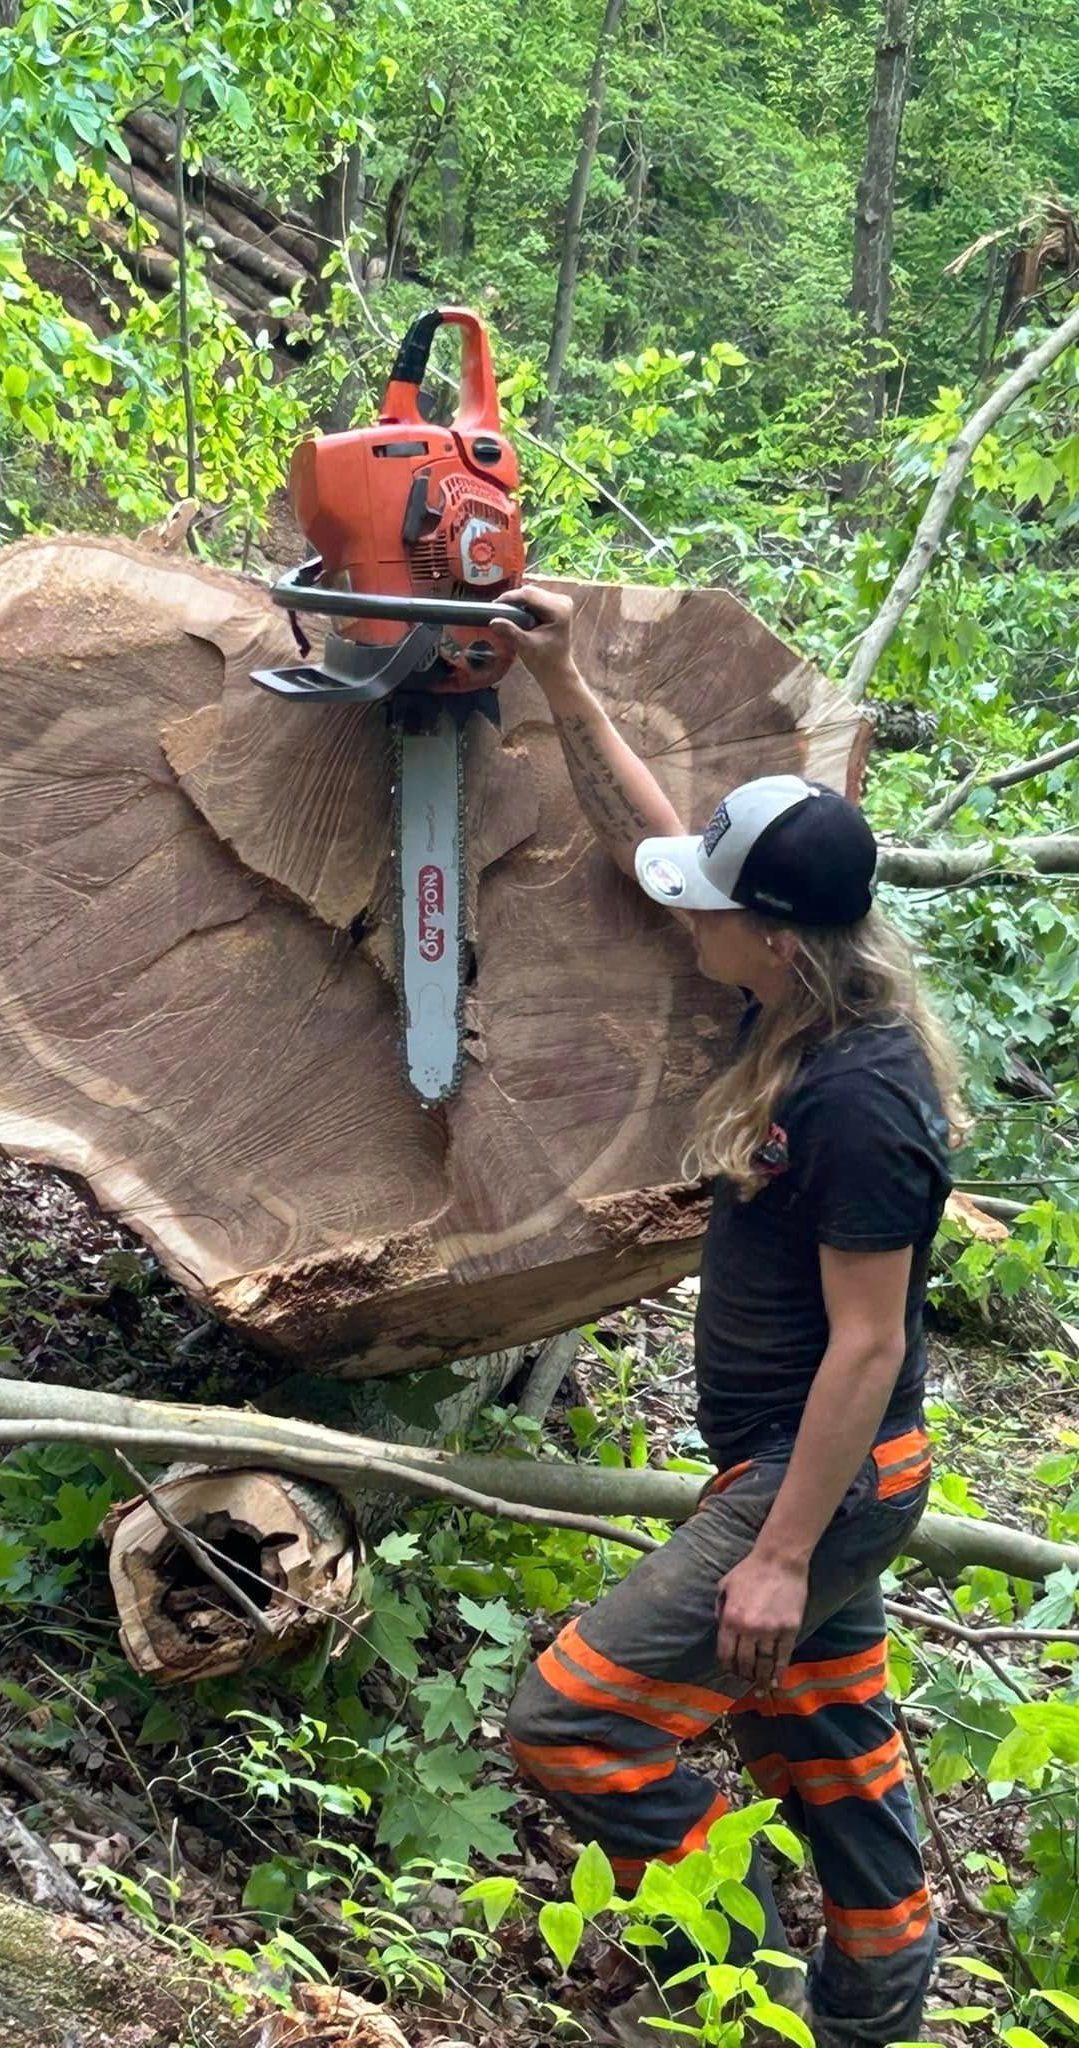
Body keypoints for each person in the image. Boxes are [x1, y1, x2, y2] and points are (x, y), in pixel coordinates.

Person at [496, 588, 959, 2048]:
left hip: (819, 1477)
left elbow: (870, 1347)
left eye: (714, 904)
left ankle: (728, 1989)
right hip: (807, 1472)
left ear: (773, 937)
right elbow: (655, 845)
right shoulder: (793, 1006)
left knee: (571, 1721)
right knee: (818, 1725)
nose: (682, 914)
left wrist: (774, 1552)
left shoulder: (860, 1097)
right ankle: (876, 2001)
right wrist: (563, 681)